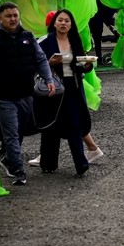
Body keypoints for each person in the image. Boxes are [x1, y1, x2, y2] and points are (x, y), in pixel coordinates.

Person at [0, 2, 56, 186]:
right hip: (4, 97)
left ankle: (9, 160)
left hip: (26, 94)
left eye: (15, 15)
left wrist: (48, 79)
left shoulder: (27, 37)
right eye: (8, 16)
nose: (13, 19)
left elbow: (40, 58)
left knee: (20, 131)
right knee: (10, 134)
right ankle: (19, 171)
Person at [36, 10, 93, 176]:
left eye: (67, 21)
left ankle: (81, 164)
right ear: (54, 23)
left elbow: (82, 64)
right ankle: (48, 163)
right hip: (53, 87)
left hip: (73, 87)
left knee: (74, 124)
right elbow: (37, 63)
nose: (63, 23)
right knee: (51, 125)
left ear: (71, 24)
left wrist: (87, 65)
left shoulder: (75, 39)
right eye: (60, 20)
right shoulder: (46, 41)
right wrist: (49, 63)